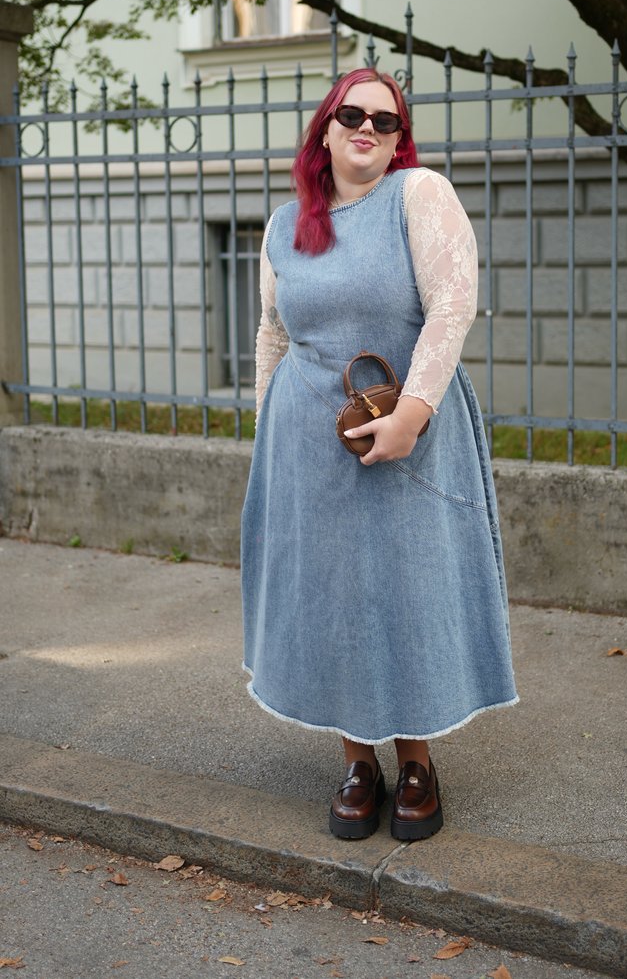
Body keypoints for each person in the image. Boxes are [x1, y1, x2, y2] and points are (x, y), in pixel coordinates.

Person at [241, 67, 518, 842]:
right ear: (324, 130)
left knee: (407, 588)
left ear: (399, 140)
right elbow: (272, 331)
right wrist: (270, 429)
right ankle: (358, 762)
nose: (369, 129)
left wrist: (414, 416)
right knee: (335, 598)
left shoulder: (418, 195)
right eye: (353, 115)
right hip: (308, 445)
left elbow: (453, 304)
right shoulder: (284, 224)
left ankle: (419, 761)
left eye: (386, 122)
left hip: (408, 438)